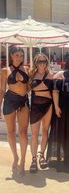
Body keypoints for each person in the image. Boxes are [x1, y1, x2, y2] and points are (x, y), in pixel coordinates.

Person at [0, 46, 29, 177]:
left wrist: (29, 84)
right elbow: (1, 90)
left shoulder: (27, 69)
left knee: (23, 132)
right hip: (10, 100)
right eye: (16, 55)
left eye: (21, 55)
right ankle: (15, 157)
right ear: (11, 56)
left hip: (23, 100)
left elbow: (29, 88)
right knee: (10, 131)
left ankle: (22, 160)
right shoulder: (5, 71)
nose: (19, 57)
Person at [28, 53, 54, 173]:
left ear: (47, 63)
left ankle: (41, 155)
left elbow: (54, 92)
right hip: (35, 106)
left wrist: (35, 88)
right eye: (39, 61)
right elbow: (27, 89)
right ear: (36, 63)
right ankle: (33, 159)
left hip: (48, 105)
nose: (42, 63)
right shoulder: (31, 74)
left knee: (44, 132)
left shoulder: (50, 75)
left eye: (44, 61)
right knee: (34, 134)